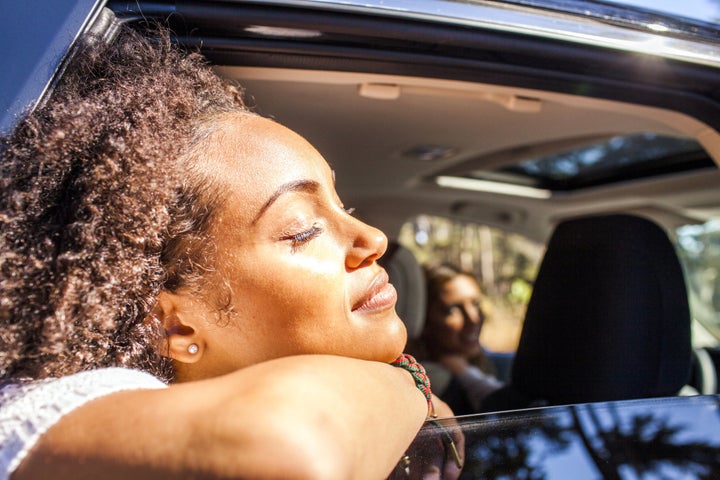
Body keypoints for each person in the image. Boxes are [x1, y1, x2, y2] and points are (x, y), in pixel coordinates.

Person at [0, 24, 459, 480]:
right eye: (302, 230)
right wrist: (412, 384)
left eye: (345, 205)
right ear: (173, 324)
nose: (374, 239)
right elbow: (293, 451)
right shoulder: (29, 418)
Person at [419, 264, 503, 415]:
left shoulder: (484, 362)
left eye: (476, 304)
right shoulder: (432, 384)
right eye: (452, 309)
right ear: (423, 319)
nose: (474, 318)